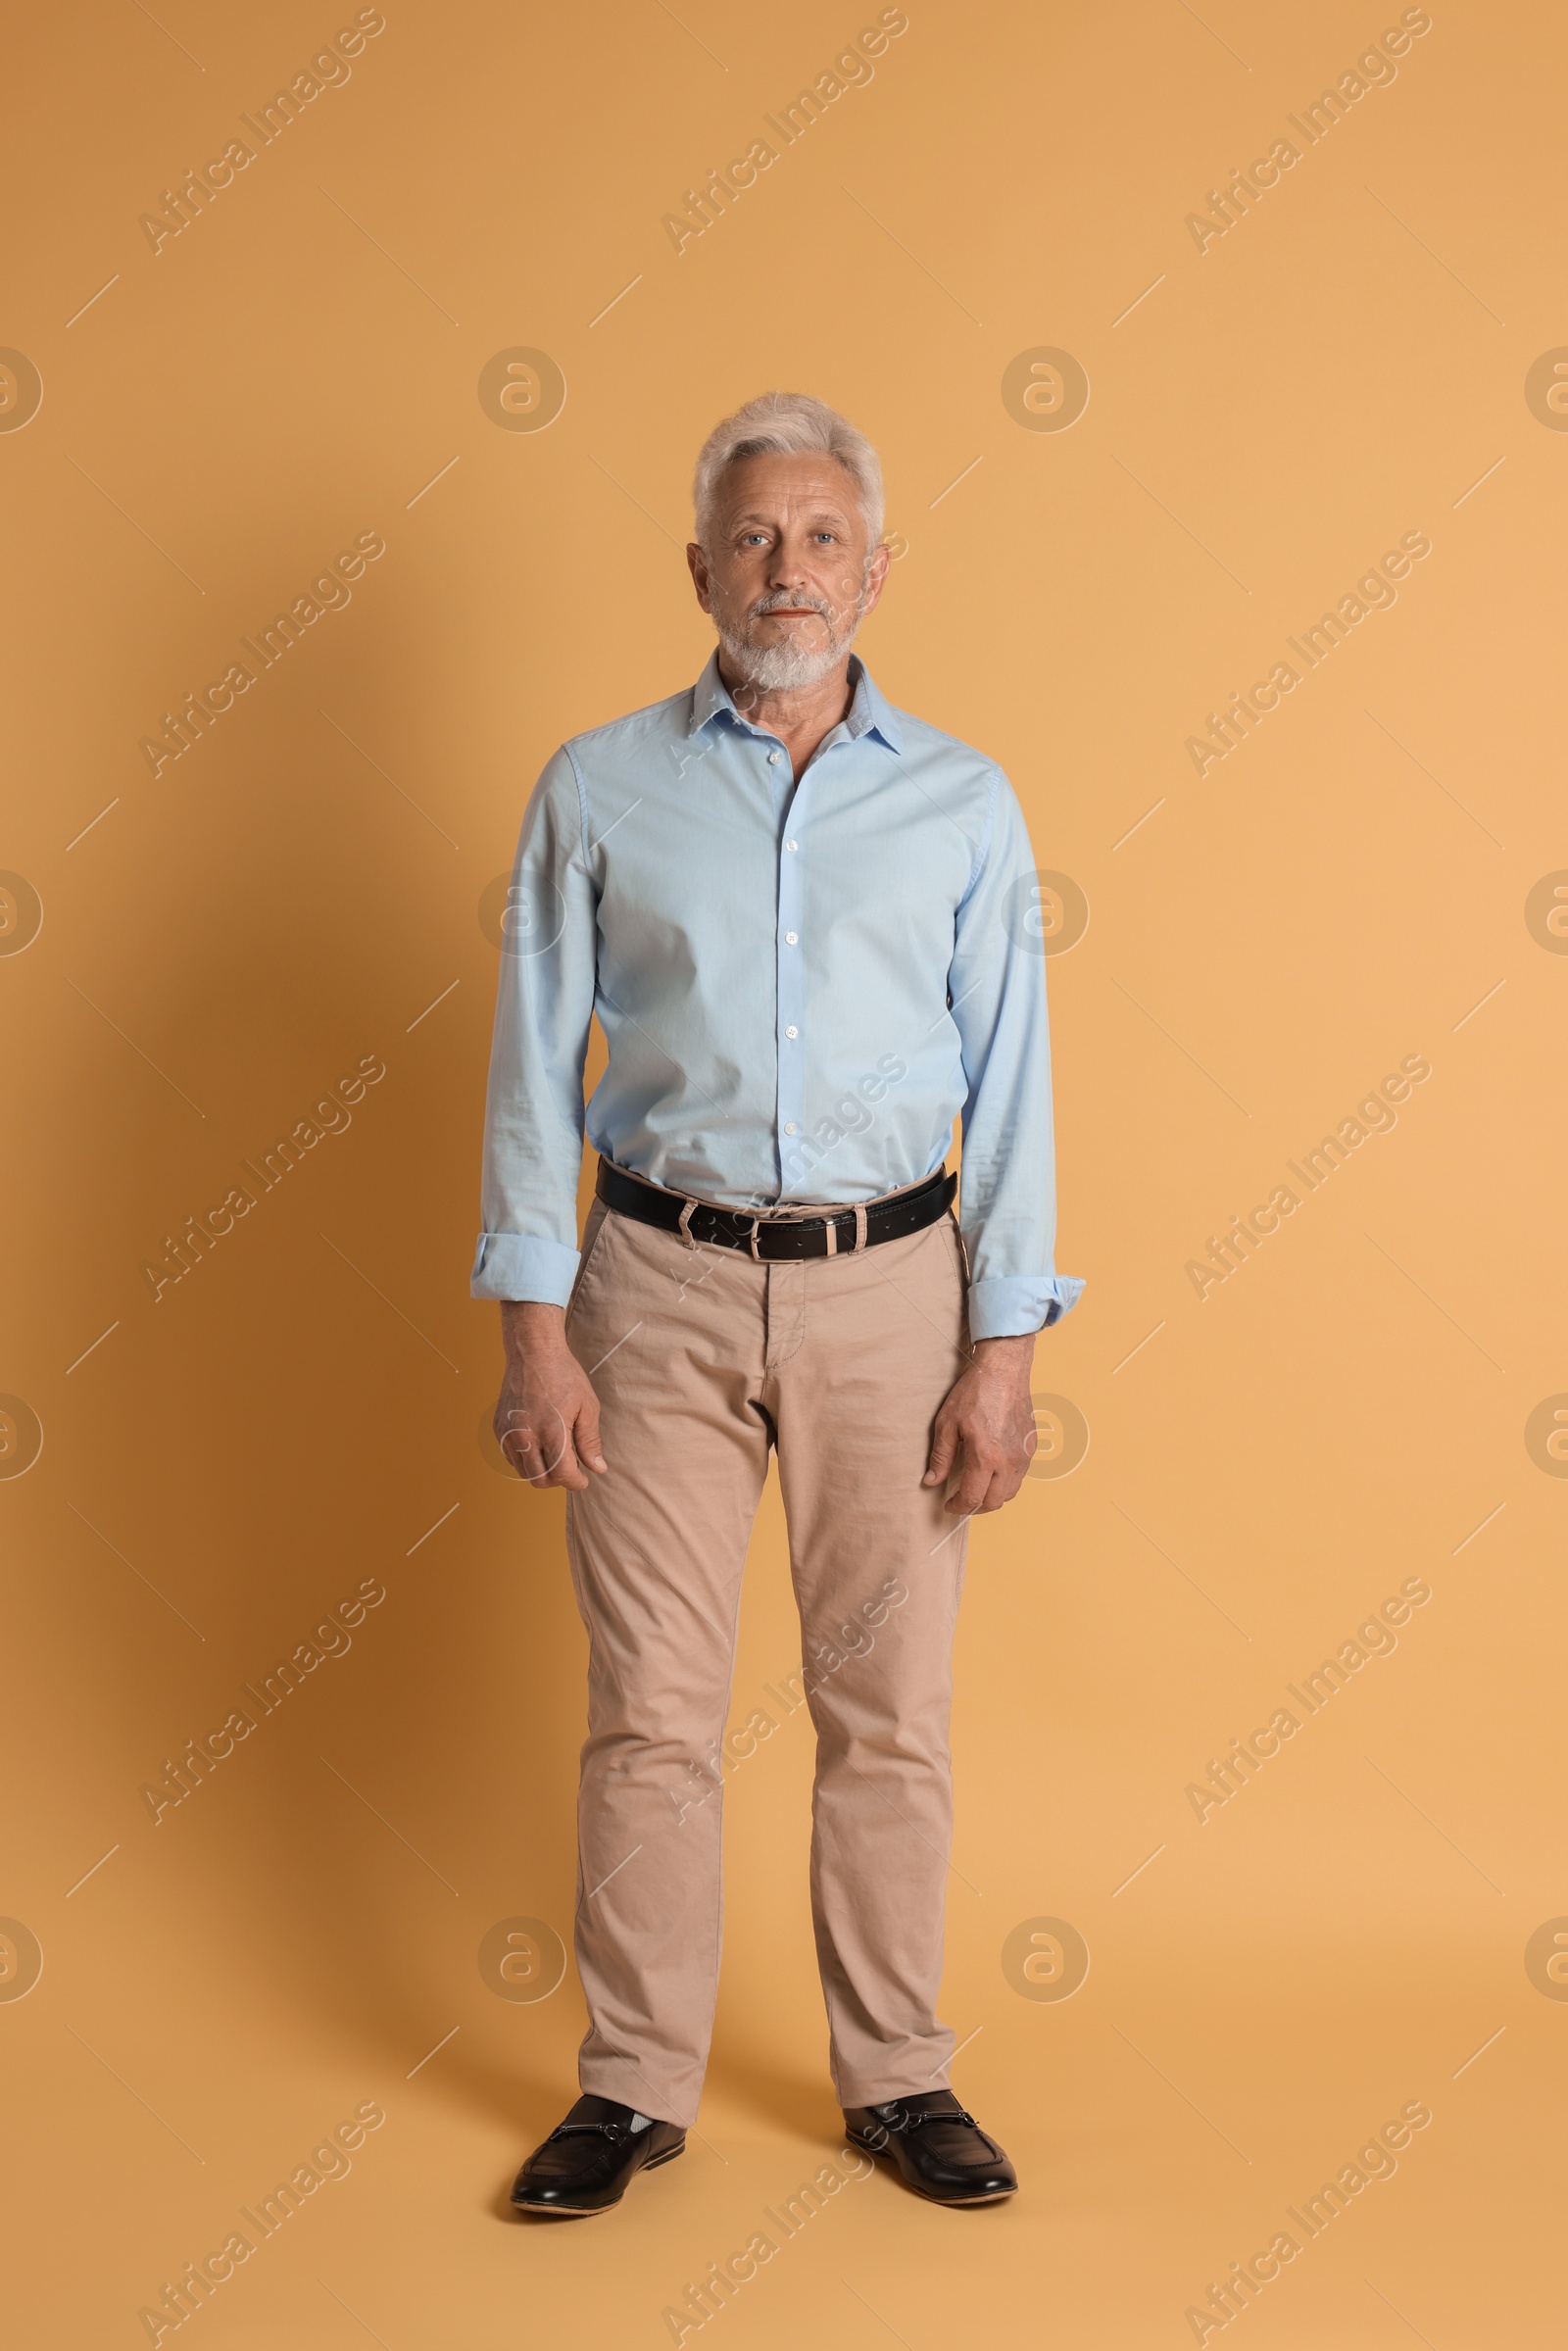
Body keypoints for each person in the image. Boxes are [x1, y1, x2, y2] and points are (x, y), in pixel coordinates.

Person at [472, 390, 1083, 2216]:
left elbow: (1018, 1084)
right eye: (754, 534)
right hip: (648, 1283)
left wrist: (1006, 1345)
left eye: (822, 536)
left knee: (887, 1703)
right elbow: (527, 1071)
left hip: (895, 1290)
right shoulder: (597, 786)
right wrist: (533, 1325)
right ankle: (633, 2084)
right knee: (650, 1708)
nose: (788, 568)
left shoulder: (965, 800)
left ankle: (897, 2077)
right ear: (698, 566)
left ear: (878, 567)